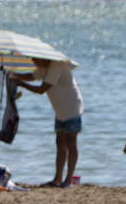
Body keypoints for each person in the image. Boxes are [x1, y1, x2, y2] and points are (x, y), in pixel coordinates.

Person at [12, 56, 83, 187]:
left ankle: (68, 180)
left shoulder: (57, 65)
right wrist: (16, 75)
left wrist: (21, 84)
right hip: (60, 111)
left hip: (72, 108)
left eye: (35, 59)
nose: (33, 62)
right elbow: (32, 76)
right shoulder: (44, 67)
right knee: (60, 142)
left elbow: (41, 89)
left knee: (71, 142)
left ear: (43, 58)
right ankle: (57, 179)